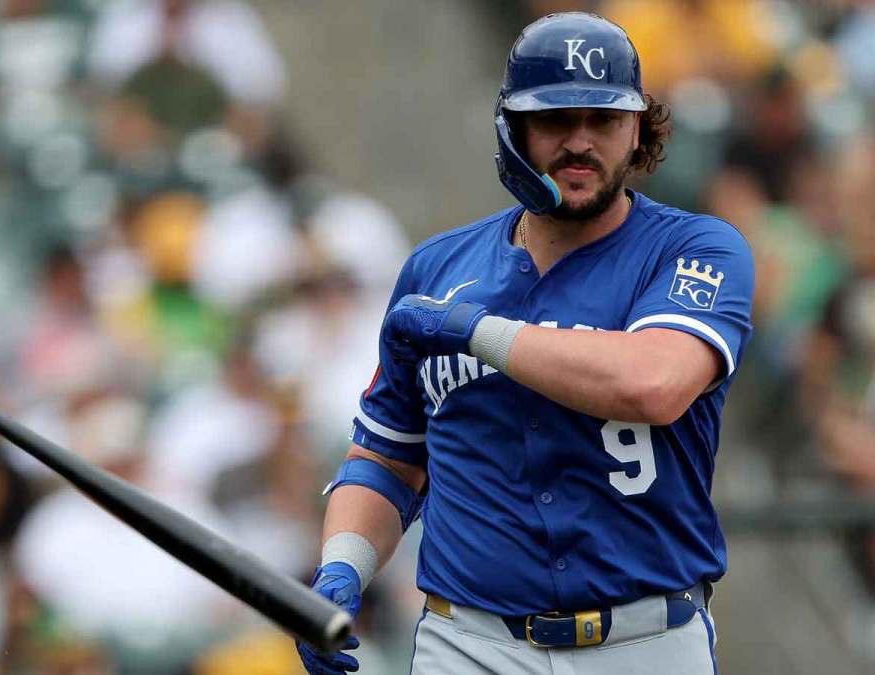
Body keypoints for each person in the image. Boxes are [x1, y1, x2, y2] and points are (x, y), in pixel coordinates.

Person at [296, 12, 754, 675]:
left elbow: (655, 383)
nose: (580, 142)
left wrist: (476, 331)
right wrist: (342, 565)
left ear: (637, 128)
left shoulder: (694, 249)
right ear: (513, 129)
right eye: (555, 119)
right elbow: (387, 458)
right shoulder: (436, 270)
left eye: (603, 120)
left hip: (645, 640)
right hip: (470, 641)